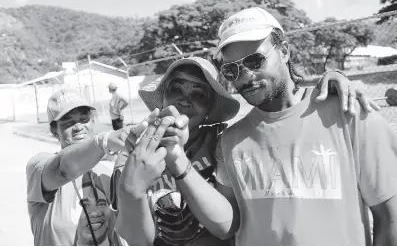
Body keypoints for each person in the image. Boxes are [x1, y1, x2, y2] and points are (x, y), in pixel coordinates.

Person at [154, 7, 397, 246]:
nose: (246, 75)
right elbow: (227, 224)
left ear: (283, 51)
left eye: (255, 60)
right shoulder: (231, 141)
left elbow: (390, 218)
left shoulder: (350, 116)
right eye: (232, 69)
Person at [113, 55, 379, 245]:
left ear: (208, 112)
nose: (185, 99)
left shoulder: (225, 142)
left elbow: (226, 228)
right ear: (162, 96)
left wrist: (337, 79)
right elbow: (136, 239)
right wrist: (132, 188)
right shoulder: (135, 148)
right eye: (176, 88)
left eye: (198, 94)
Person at [25, 89, 152, 245]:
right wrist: (103, 141)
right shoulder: (40, 167)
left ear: (93, 121)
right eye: (68, 123)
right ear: (54, 130)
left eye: (84, 119)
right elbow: (63, 169)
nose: (78, 127)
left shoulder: (109, 168)